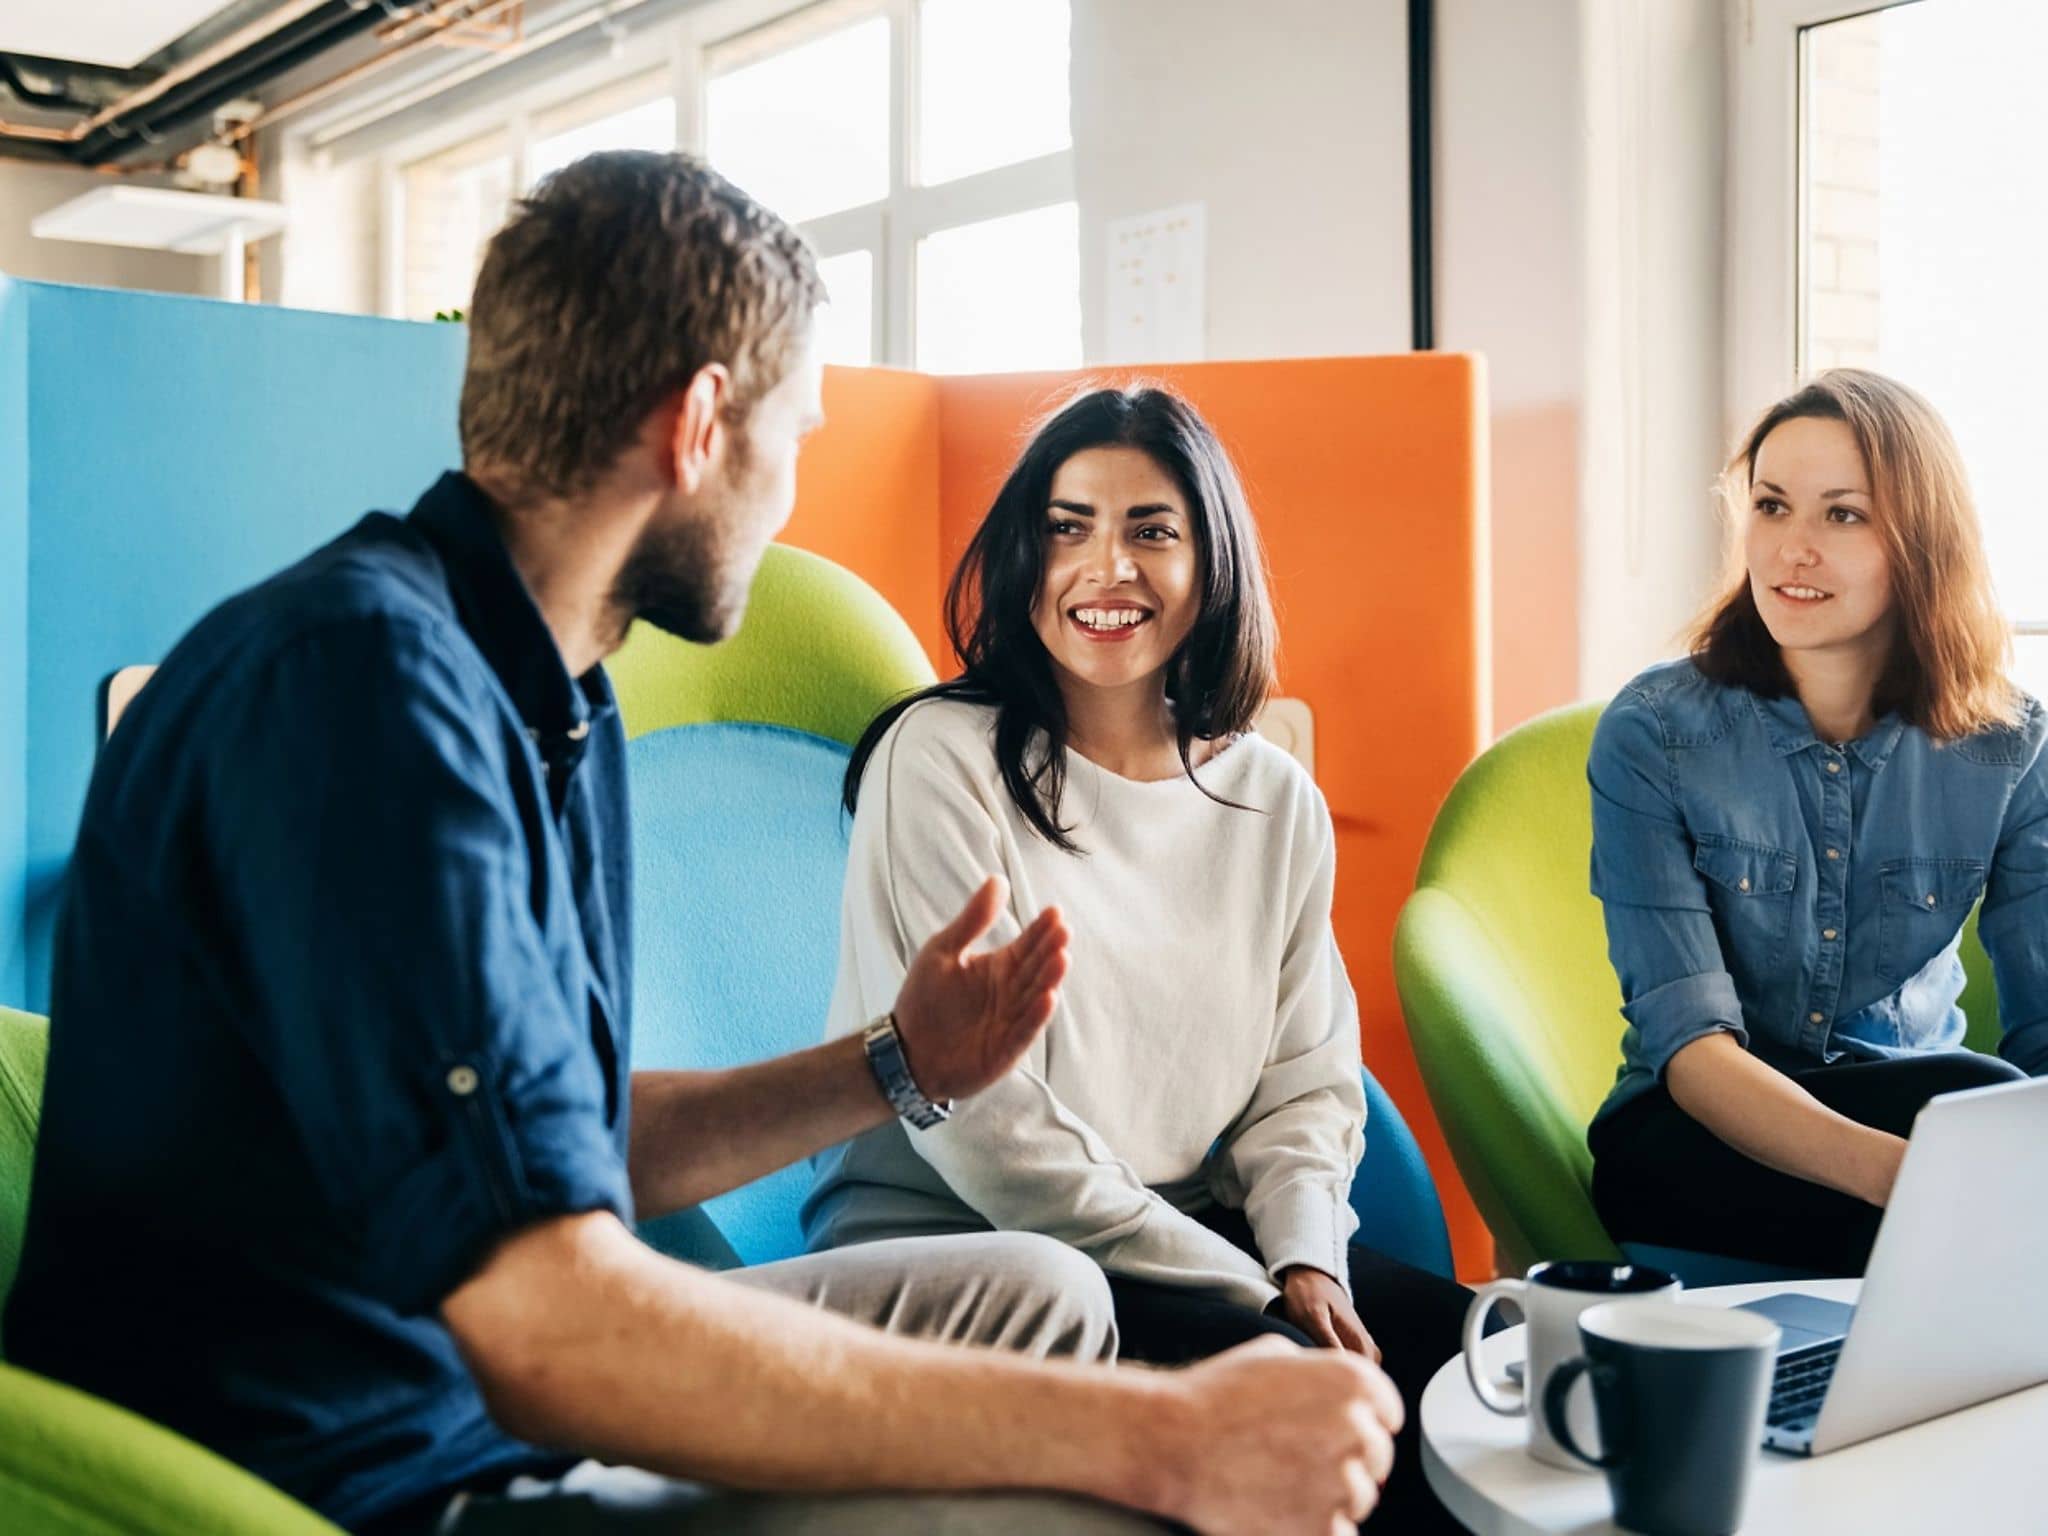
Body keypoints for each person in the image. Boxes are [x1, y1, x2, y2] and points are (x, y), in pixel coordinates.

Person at [4, 153, 1404, 1536]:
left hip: (478, 1381)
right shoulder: (367, 697)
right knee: (1101, 1508)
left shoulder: (553, 699)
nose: (791, 489)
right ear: (698, 424)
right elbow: (549, 1332)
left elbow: (558, 1148)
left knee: (1035, 1296)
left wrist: (893, 1065)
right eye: (792, 438)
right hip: (374, 1464)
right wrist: (1162, 1443)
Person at [803, 384, 1472, 1532]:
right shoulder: (939, 760)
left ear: (1213, 565)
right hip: (974, 1247)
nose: (1102, 568)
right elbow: (986, 1129)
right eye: (1065, 528)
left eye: (1149, 530)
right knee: (1335, 1426)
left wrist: (1305, 1258)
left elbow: (1303, 1083)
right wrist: (1251, 1294)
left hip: (1179, 1233)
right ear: (1022, 556)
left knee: (1483, 1374)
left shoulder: (1271, 798)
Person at [1586, 368, 2048, 1277]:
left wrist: (1989, 1171)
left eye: (1842, 514)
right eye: (1771, 506)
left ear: (1922, 542)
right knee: (1968, 1129)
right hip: (1699, 1131)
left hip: (1914, 1103)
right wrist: (1913, 1182)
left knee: (1977, 1093)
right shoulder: (1652, 734)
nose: (1791, 549)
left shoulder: (2013, 747)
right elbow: (1692, 1050)